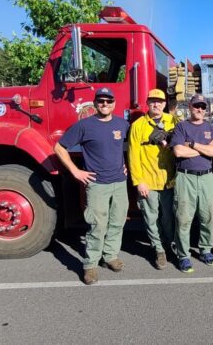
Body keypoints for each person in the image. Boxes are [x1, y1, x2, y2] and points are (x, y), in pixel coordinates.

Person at [54, 87, 130, 285]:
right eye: (101, 101)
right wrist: (75, 171)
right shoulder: (84, 126)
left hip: (119, 183)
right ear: (95, 103)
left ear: (114, 103)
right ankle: (90, 265)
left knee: (117, 222)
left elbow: (130, 147)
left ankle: (110, 256)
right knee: (98, 226)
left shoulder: (123, 124)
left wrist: (127, 165)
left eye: (108, 101)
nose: (105, 104)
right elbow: (59, 147)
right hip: (97, 185)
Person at [170, 94, 213, 273]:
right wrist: (204, 149)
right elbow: (177, 151)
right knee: (183, 218)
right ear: (190, 107)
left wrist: (192, 145)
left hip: (207, 177)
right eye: (196, 106)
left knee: (207, 216)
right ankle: (183, 255)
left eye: (202, 106)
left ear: (206, 109)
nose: (199, 109)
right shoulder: (181, 126)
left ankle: (206, 249)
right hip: (186, 177)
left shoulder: (211, 128)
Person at [128, 89, 177, 270]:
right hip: (147, 182)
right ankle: (159, 250)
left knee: (169, 217)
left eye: (159, 101)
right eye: (152, 101)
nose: (156, 104)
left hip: (169, 180)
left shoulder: (174, 122)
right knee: (151, 217)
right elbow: (133, 156)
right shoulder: (138, 125)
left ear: (164, 104)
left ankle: (170, 243)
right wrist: (138, 181)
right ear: (147, 103)